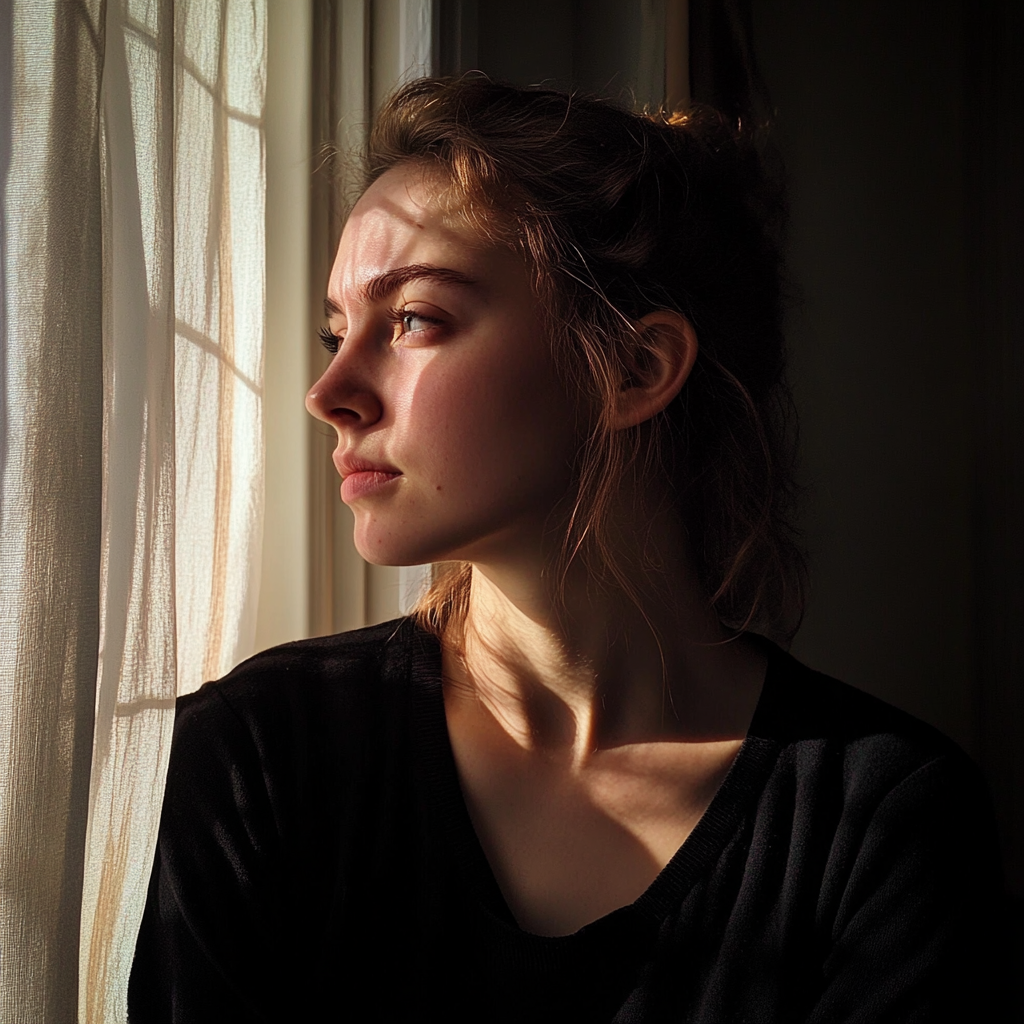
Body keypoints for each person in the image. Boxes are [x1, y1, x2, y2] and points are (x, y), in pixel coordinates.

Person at [128, 77, 1005, 1022]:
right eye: (338, 332)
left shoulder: (877, 820)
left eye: (414, 319)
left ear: (633, 367)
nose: (329, 390)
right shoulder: (257, 756)